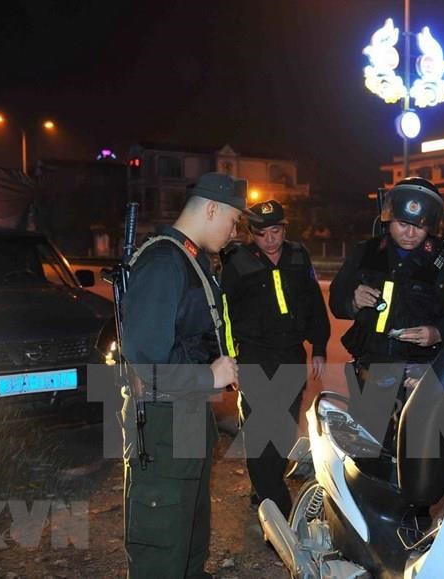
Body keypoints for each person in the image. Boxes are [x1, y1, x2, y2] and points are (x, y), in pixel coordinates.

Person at [120, 172, 257, 578]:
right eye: (233, 221)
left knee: (189, 531)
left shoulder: (189, 257)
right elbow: (146, 361)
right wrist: (208, 378)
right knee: (163, 539)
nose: (235, 232)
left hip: (187, 418)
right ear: (211, 208)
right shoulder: (164, 261)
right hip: (164, 423)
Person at [329, 177, 444, 449]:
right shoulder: (366, 252)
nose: (409, 234)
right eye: (402, 224)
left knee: (418, 450)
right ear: (388, 219)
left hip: (423, 370)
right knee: (368, 448)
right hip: (373, 368)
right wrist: (354, 300)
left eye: (418, 227)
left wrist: (438, 332)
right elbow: (337, 301)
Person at [220, 199, 330, 515]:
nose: (271, 239)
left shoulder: (298, 256)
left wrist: (319, 345)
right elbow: (225, 315)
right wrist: (230, 360)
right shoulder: (236, 262)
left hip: (291, 354)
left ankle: (265, 487)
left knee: (282, 429)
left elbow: (313, 303)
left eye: (276, 231)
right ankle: (273, 500)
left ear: (284, 229)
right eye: (262, 233)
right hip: (253, 356)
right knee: (259, 430)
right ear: (251, 233)